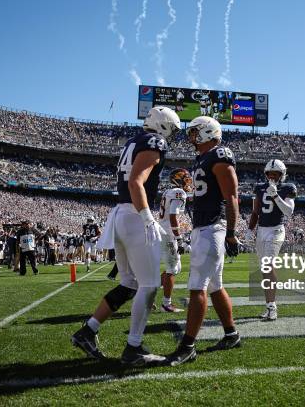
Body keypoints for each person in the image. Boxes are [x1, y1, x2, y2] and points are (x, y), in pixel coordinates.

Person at [71, 106, 181, 366]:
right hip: (134, 215)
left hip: (121, 213)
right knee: (150, 284)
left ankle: (88, 330)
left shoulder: (134, 141)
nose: (172, 135)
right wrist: (146, 217)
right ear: (164, 125)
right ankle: (134, 347)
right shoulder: (155, 141)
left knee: (129, 283)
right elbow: (136, 182)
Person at [167, 116, 241, 366]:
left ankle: (187, 346)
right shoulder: (203, 158)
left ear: (208, 132)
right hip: (205, 226)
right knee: (215, 286)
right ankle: (231, 334)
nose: (191, 137)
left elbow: (232, 196)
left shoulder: (220, 154)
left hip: (213, 227)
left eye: (195, 132)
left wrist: (231, 232)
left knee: (197, 287)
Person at [248, 159, 296, 321]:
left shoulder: (288, 188)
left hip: (276, 230)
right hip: (261, 230)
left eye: (276, 174)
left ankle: (272, 307)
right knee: (264, 269)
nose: (272, 177)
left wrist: (275, 195)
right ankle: (268, 304)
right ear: (265, 174)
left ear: (282, 175)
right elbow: (255, 212)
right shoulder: (260, 188)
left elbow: (289, 212)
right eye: (270, 174)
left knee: (268, 266)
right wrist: (249, 230)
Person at [158, 168, 192, 312]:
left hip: (165, 231)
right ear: (178, 180)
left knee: (175, 268)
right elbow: (173, 216)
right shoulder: (179, 193)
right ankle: (166, 304)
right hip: (168, 233)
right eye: (185, 179)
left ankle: (147, 292)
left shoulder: (168, 192)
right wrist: (179, 239)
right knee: (172, 268)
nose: (188, 182)